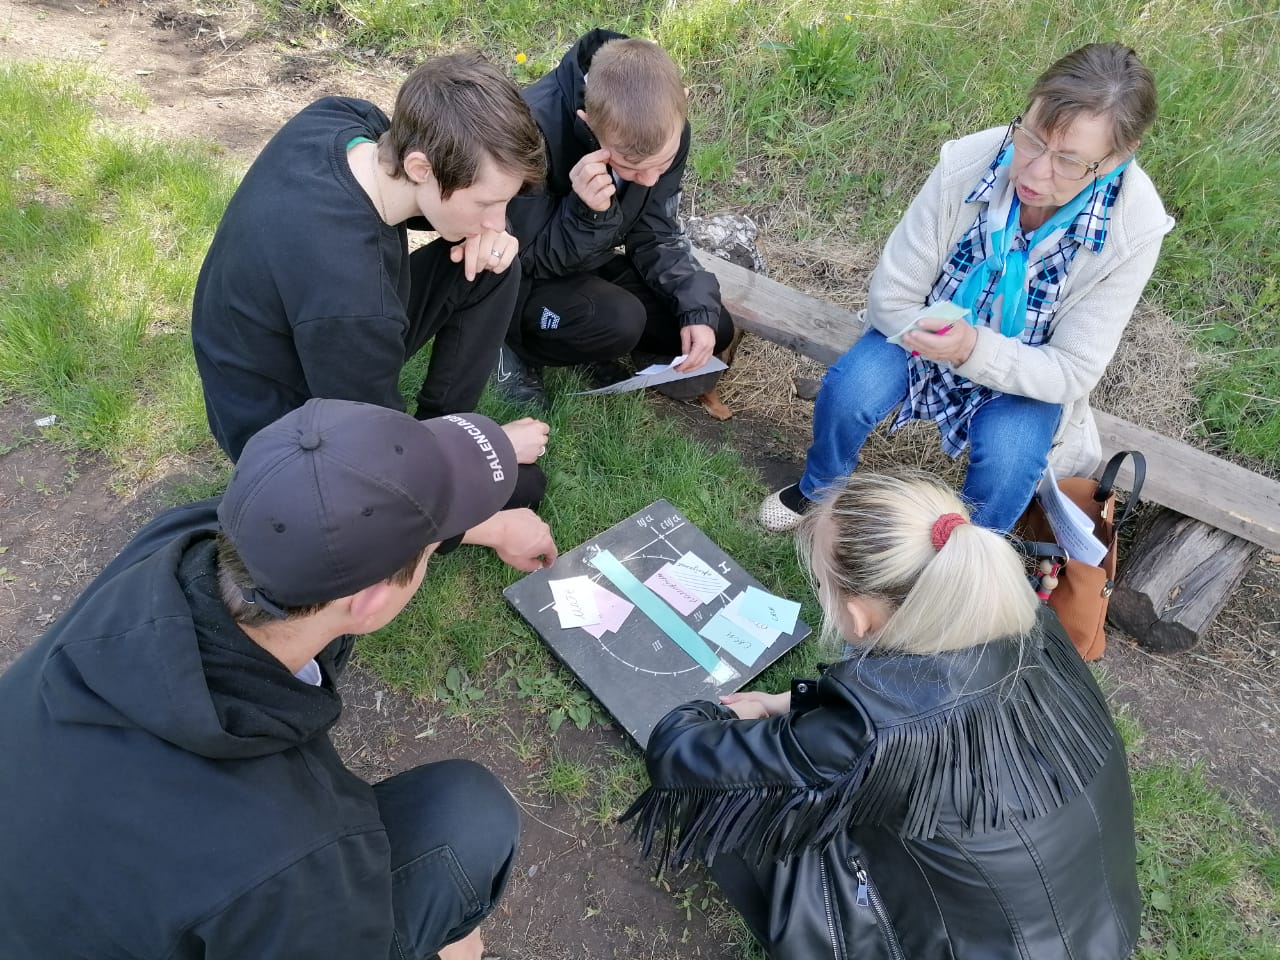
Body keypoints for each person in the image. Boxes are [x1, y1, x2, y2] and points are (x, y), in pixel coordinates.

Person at [0, 399, 542, 960]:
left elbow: (329, 512)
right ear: (371, 600)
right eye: (428, 549)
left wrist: (494, 524)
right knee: (467, 815)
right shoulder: (295, 849)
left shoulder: (178, 541)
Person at [626, 469, 1142, 960]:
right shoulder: (1034, 626)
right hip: (1102, 928)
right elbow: (921, 707)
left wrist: (712, 716)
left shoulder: (872, 731)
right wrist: (790, 703)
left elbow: (680, 756)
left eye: (823, 586)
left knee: (752, 810)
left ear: (859, 617)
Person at [759, 43, 1174, 534]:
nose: (1034, 172)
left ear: (1117, 156)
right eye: (1032, 139)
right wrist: (940, 338)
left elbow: (1071, 370)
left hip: (1025, 373)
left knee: (1010, 460)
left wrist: (973, 350)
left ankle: (968, 555)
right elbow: (892, 297)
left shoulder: (1133, 229)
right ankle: (819, 490)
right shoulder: (969, 161)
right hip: (923, 334)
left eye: (1068, 161)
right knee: (848, 392)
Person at [192, 52, 555, 537]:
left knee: (492, 266)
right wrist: (489, 455)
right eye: (487, 203)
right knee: (523, 484)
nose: (498, 221)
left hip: (275, 346)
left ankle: (446, 425)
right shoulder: (356, 303)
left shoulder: (341, 120)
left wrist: (489, 230)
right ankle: (446, 452)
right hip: (276, 432)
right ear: (421, 166)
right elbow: (379, 468)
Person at [495, 29, 737, 407]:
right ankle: (506, 348)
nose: (650, 180)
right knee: (619, 322)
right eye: (631, 167)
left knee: (711, 322)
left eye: (662, 164)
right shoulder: (530, 131)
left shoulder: (665, 125)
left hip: (589, 259)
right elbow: (519, 258)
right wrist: (585, 213)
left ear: (684, 101)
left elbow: (656, 231)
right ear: (587, 123)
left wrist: (696, 308)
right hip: (516, 282)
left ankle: (586, 335)